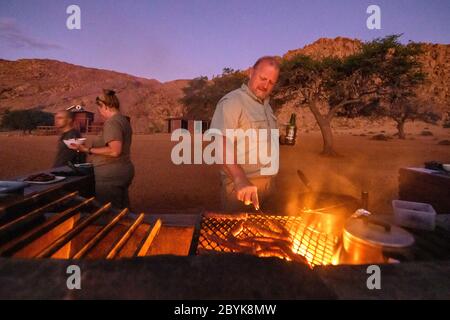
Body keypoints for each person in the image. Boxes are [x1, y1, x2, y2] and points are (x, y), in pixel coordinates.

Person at [209, 56, 280, 212]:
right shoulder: (233, 102)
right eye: (262, 78)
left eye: (271, 82)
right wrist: (239, 178)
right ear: (250, 72)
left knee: (270, 234)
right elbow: (221, 142)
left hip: (269, 187)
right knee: (240, 234)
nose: (265, 85)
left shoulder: (266, 106)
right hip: (243, 189)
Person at [69, 89, 134, 209]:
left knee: (110, 214)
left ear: (104, 106)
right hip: (122, 170)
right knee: (123, 211)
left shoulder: (112, 122)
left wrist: (87, 149)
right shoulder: (123, 120)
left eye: (99, 109)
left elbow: (114, 151)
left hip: (110, 176)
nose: (99, 112)